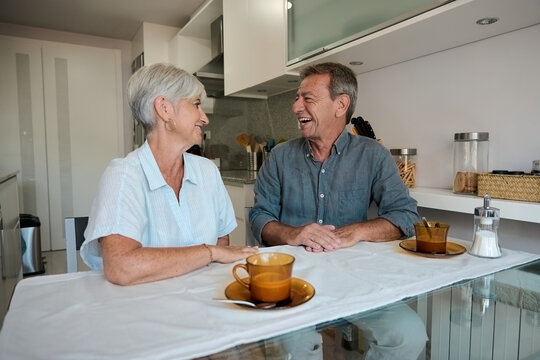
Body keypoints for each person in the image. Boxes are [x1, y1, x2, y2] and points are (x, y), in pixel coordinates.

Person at [249, 62, 426, 359]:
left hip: (356, 278)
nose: (295, 107)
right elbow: (259, 217)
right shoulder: (279, 157)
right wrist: (293, 234)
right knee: (297, 347)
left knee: (408, 335)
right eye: (297, 97)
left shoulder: (374, 155)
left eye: (308, 98)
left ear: (340, 105)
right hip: (294, 280)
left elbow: (405, 216)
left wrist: (357, 231)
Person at [80, 63, 258, 286]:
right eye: (196, 104)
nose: (205, 118)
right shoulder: (124, 175)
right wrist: (209, 253)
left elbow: (222, 238)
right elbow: (121, 267)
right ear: (164, 109)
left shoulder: (207, 171)